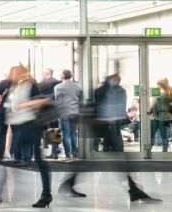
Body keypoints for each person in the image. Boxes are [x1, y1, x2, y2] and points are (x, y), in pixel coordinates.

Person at [59, 73, 160, 202]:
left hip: (108, 126)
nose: (118, 79)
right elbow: (96, 109)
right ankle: (133, 190)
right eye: (115, 77)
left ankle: (133, 190)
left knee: (116, 158)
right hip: (101, 126)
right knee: (114, 158)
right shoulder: (102, 90)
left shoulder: (118, 91)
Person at [0, 65, 52, 209]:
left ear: (20, 73)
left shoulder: (30, 85)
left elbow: (44, 101)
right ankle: (46, 195)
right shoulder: (16, 87)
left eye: (14, 72)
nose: (11, 75)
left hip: (30, 126)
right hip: (20, 126)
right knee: (35, 160)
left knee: (14, 157)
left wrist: (25, 104)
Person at [53, 69, 82, 160]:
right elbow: (80, 99)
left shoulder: (58, 87)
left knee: (66, 134)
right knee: (74, 133)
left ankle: (68, 154)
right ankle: (75, 152)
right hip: (75, 112)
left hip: (64, 112)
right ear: (71, 76)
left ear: (62, 76)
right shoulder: (78, 86)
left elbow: (57, 101)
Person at [38, 68, 62, 159]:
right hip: (55, 110)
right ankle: (55, 150)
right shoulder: (58, 82)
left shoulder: (43, 84)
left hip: (45, 110)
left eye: (42, 73)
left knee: (46, 130)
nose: (42, 75)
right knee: (54, 130)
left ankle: (54, 151)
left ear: (46, 73)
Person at [149, 78, 172, 152]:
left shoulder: (157, 91)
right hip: (166, 116)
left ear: (160, 85)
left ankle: (148, 149)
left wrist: (149, 111)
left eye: (157, 84)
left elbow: (153, 104)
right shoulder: (170, 93)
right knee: (164, 134)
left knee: (151, 134)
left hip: (156, 116)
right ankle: (165, 149)